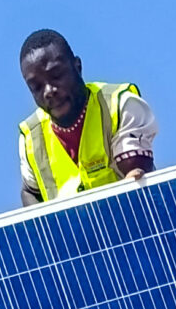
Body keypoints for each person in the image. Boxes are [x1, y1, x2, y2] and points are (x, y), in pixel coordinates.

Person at [18, 29, 158, 205]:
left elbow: (134, 174)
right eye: (36, 86)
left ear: (77, 67)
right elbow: (30, 191)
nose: (49, 91)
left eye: (56, 76)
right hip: (69, 233)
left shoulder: (120, 105)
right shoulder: (31, 137)